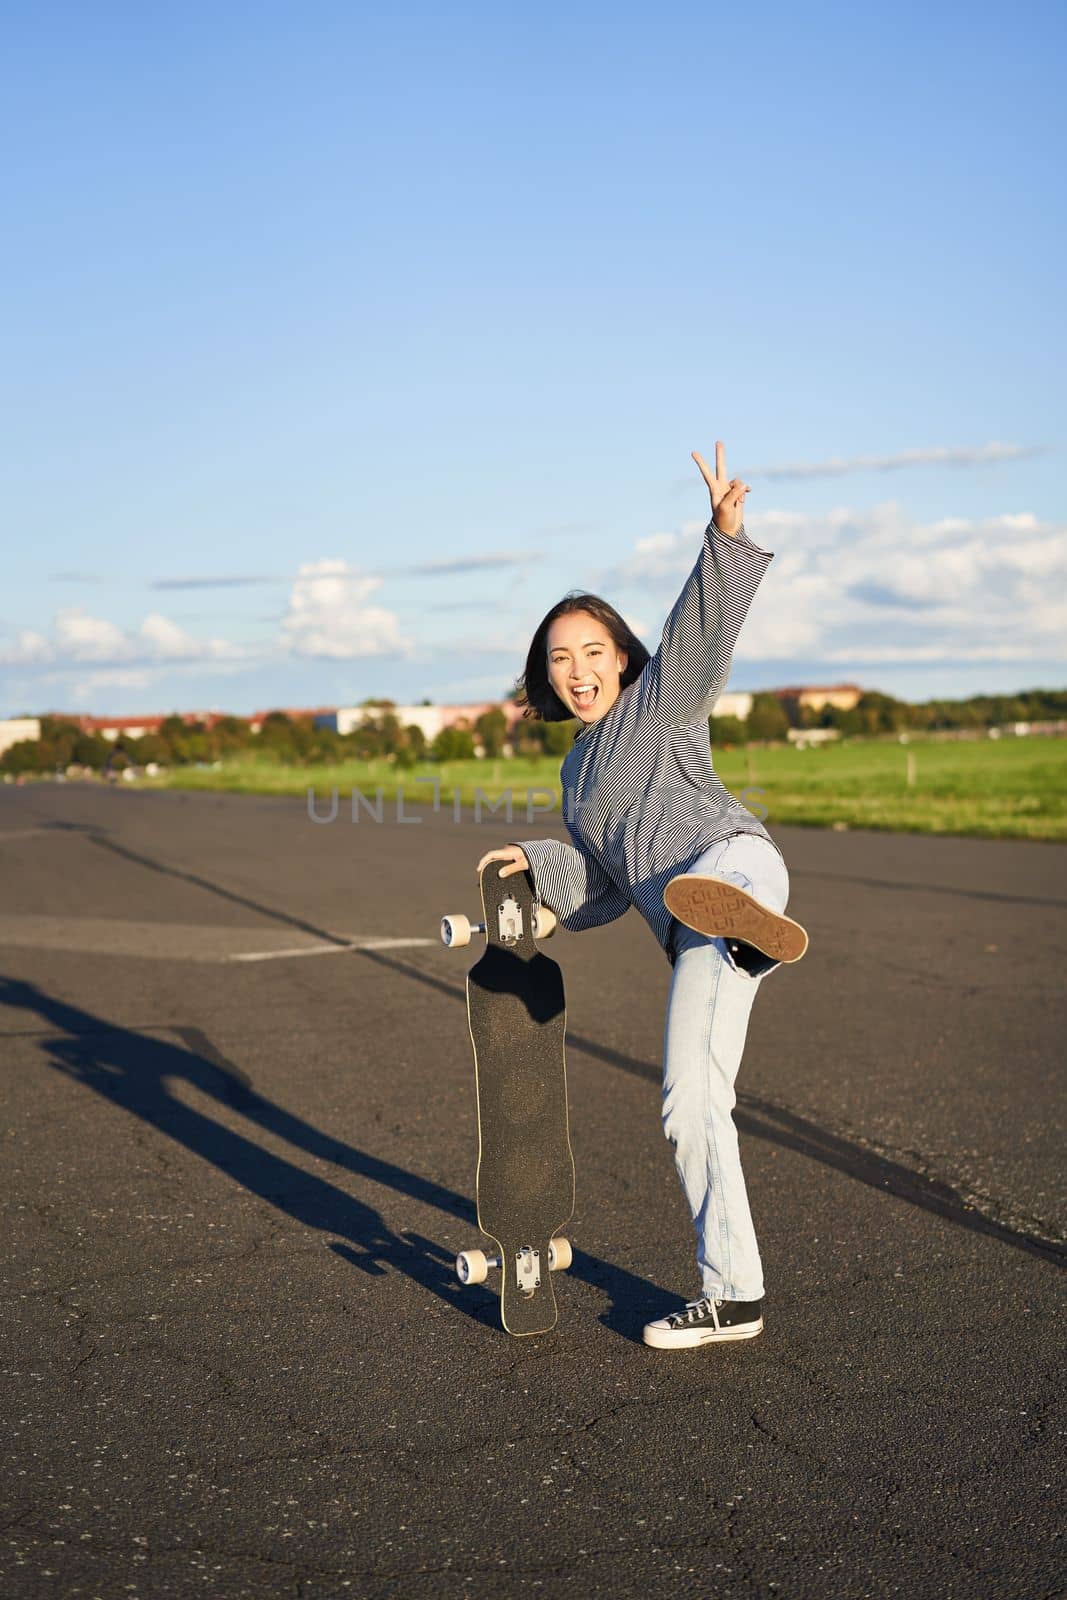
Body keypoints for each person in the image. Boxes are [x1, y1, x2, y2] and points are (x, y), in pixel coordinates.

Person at [476, 441, 808, 1350]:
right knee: (687, 1100)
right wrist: (539, 880)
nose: (577, 669)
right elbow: (604, 883)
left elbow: (701, 634)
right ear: (545, 675)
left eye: (593, 650)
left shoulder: (661, 705)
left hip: (734, 862)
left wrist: (724, 536)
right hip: (696, 926)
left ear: (623, 656)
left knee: (715, 887)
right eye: (559, 658)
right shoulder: (577, 774)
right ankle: (733, 1295)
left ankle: (746, 927)